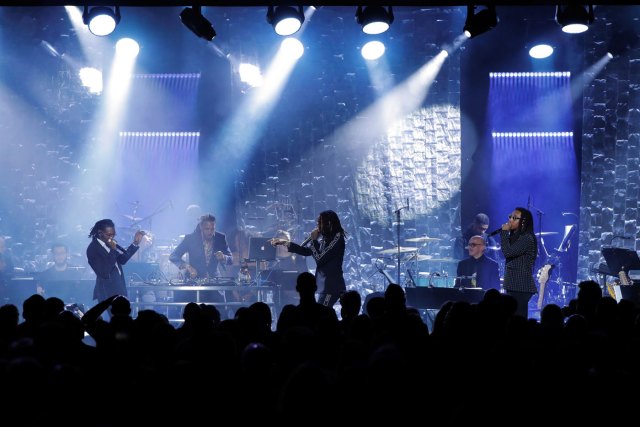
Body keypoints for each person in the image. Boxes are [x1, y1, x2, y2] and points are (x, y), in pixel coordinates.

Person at [271, 210, 346, 309]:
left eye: (320, 222)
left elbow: (320, 258)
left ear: (328, 223)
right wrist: (284, 242)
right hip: (325, 286)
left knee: (322, 314)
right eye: (317, 222)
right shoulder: (324, 239)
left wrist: (314, 240)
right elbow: (305, 251)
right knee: (322, 315)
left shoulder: (337, 238)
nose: (317, 225)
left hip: (331, 286)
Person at [169, 214, 233, 307]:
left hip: (213, 282)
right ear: (201, 227)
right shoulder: (190, 239)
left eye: (212, 229)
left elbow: (231, 259)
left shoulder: (220, 238)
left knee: (220, 312)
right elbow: (173, 256)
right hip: (194, 282)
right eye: (207, 229)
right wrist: (187, 266)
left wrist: (224, 257)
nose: (210, 232)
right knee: (193, 313)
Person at [86, 219, 145, 305]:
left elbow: (122, 259)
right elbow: (104, 272)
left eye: (113, 234)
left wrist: (135, 243)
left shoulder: (107, 244)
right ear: (100, 233)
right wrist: (113, 250)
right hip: (107, 293)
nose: (112, 237)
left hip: (118, 290)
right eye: (109, 235)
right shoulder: (93, 249)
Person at [497, 207, 538, 318]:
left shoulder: (527, 238)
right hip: (513, 286)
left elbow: (508, 252)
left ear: (523, 222)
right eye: (510, 216)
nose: (510, 220)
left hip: (520, 287)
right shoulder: (517, 237)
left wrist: (505, 233)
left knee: (517, 320)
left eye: (515, 218)